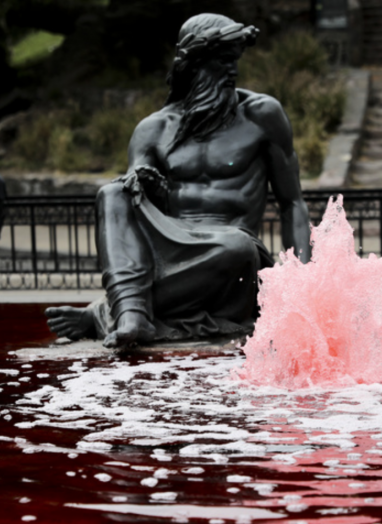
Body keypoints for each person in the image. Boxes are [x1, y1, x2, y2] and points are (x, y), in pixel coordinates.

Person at [45, 13, 311, 348]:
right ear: (194, 65)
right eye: (223, 61)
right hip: (172, 247)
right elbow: (133, 201)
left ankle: (105, 311)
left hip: (232, 252)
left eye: (235, 61)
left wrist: (304, 287)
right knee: (113, 192)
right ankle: (131, 315)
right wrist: (145, 185)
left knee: (237, 249)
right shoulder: (153, 129)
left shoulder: (262, 115)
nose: (233, 71)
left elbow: (293, 203)